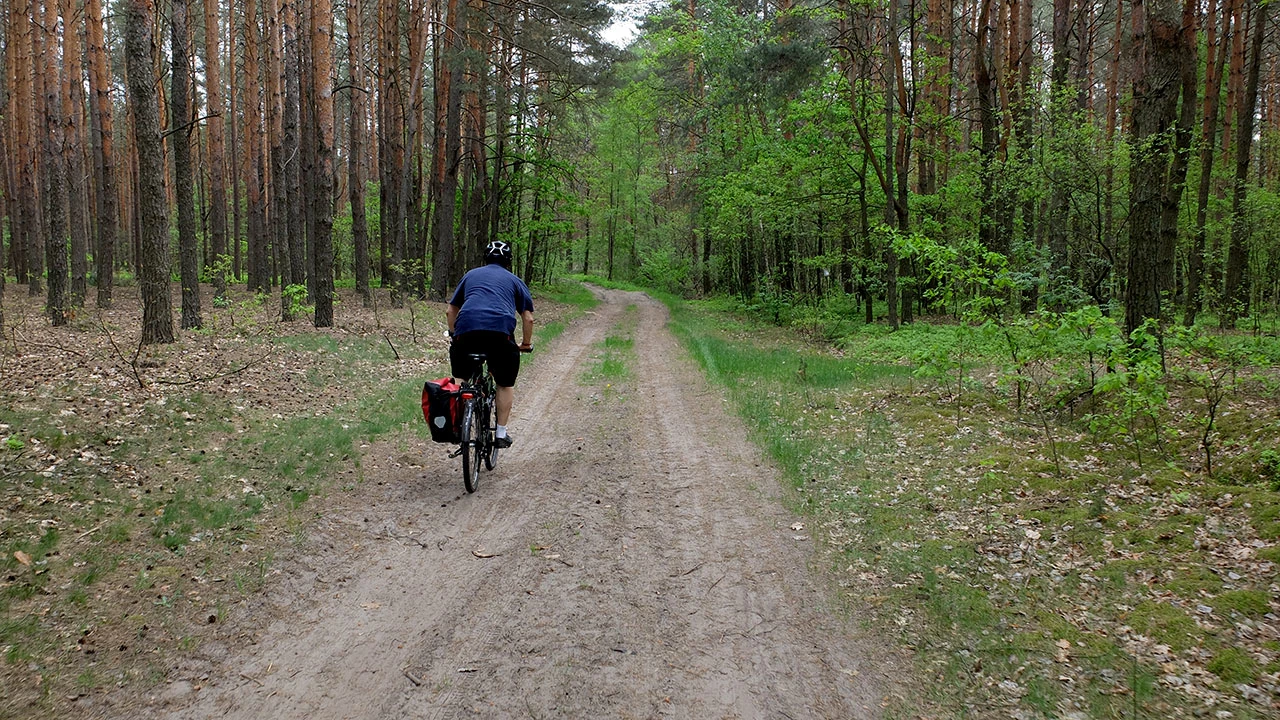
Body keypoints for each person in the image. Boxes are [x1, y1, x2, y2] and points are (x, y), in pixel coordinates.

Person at [445, 240, 534, 448]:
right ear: (508, 262)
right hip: (500, 335)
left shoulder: (470, 275)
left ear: (485, 258)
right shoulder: (515, 280)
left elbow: (451, 310)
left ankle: (457, 425)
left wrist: (454, 335)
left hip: (466, 332)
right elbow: (528, 318)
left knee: (460, 378)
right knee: (504, 383)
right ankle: (501, 433)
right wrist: (525, 343)